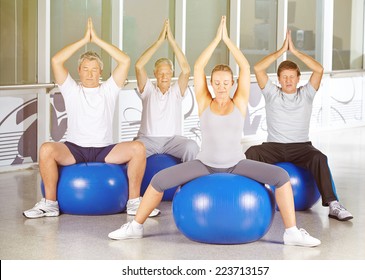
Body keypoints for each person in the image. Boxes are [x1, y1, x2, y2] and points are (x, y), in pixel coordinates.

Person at [108, 16, 321, 247]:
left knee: (281, 177)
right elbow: (198, 67)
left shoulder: (239, 102)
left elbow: (245, 67)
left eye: (225, 83)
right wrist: (215, 40)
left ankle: (291, 233)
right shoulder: (204, 102)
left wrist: (227, 41)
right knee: (159, 179)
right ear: (211, 84)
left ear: (232, 84)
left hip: (237, 164)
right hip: (205, 164)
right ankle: (135, 227)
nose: (221, 87)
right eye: (216, 83)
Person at [23, 18, 158, 218]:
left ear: (100, 72)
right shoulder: (71, 90)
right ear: (79, 71)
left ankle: (134, 202)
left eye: (94, 69)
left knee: (138, 148)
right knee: (46, 149)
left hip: (105, 149)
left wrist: (97, 40)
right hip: (75, 148)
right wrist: (83, 40)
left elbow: (125, 61)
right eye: (85, 69)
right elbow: (56, 61)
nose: (89, 73)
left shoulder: (109, 90)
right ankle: (50, 204)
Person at [245, 30, 353, 221]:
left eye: (292, 76)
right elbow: (258, 68)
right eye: (284, 77)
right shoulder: (271, 93)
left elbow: (319, 70)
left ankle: (333, 204)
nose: (288, 80)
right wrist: (280, 52)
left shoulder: (307, 94)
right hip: (274, 147)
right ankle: (245, 194)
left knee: (319, 158)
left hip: (301, 147)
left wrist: (294, 51)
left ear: (298, 78)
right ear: (278, 79)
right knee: (251, 152)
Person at [134, 19, 199, 162]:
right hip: (148, 140)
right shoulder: (148, 91)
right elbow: (139, 66)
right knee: (132, 150)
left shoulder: (176, 92)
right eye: (161, 73)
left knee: (192, 146)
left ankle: (188, 182)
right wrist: (158, 42)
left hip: (172, 141)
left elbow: (186, 70)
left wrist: (172, 42)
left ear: (172, 74)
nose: (164, 77)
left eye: (168, 73)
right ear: (155, 74)